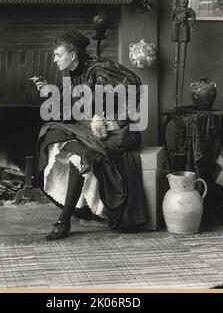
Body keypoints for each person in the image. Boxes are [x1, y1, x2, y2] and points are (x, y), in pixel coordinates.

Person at [32, 31, 147, 241]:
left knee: (80, 158)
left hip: (118, 132)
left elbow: (135, 84)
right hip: (91, 130)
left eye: (58, 55)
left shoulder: (99, 69)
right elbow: (68, 109)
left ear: (73, 55)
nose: (54, 59)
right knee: (52, 132)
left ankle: (64, 221)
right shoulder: (73, 75)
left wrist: (116, 119)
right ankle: (80, 205)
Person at [171, 0, 196, 107]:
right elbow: (173, 3)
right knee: (176, 62)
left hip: (184, 30)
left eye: (186, 1)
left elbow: (193, 16)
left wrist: (191, 26)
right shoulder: (176, 9)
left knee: (182, 63)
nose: (184, 2)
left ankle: (179, 101)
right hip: (176, 30)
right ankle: (175, 101)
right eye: (183, 1)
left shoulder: (189, 10)